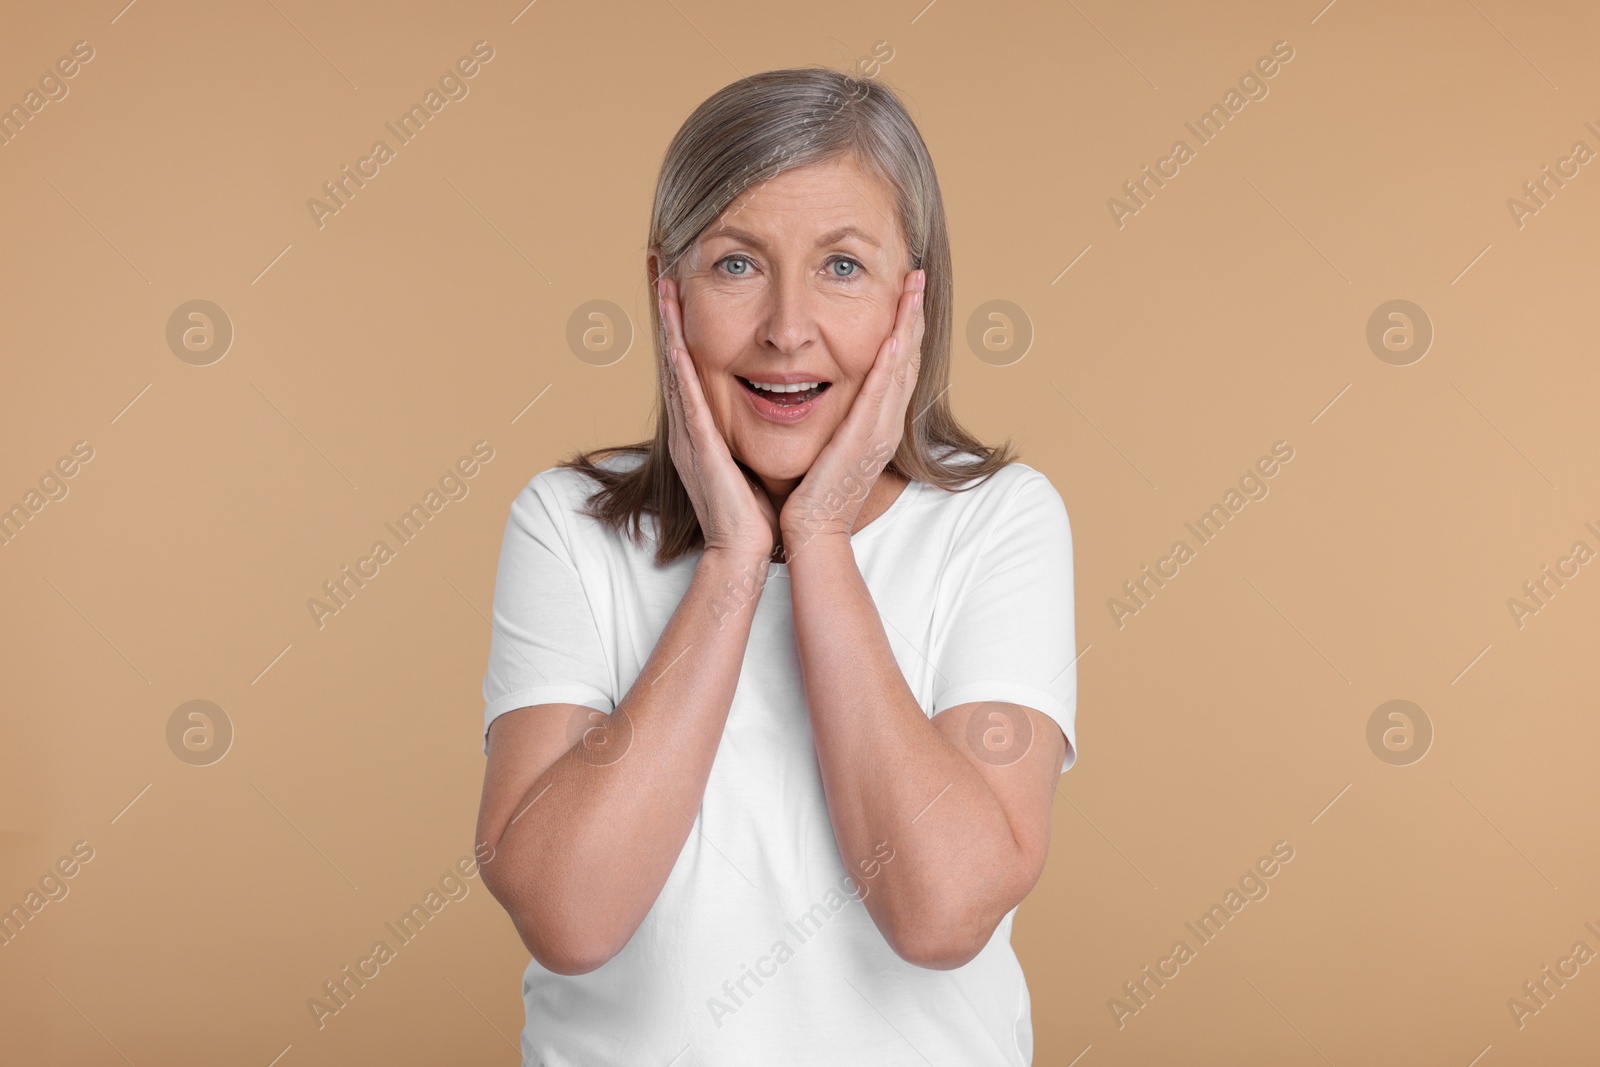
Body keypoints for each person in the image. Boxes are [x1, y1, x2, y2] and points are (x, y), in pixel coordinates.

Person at [475, 66, 1078, 1066]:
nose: (786, 328)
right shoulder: (567, 524)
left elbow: (940, 911)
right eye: (735, 264)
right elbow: (569, 916)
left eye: (842, 266)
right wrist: (732, 562)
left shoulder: (1000, 521)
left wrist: (823, 542)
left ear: (909, 301)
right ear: (664, 293)